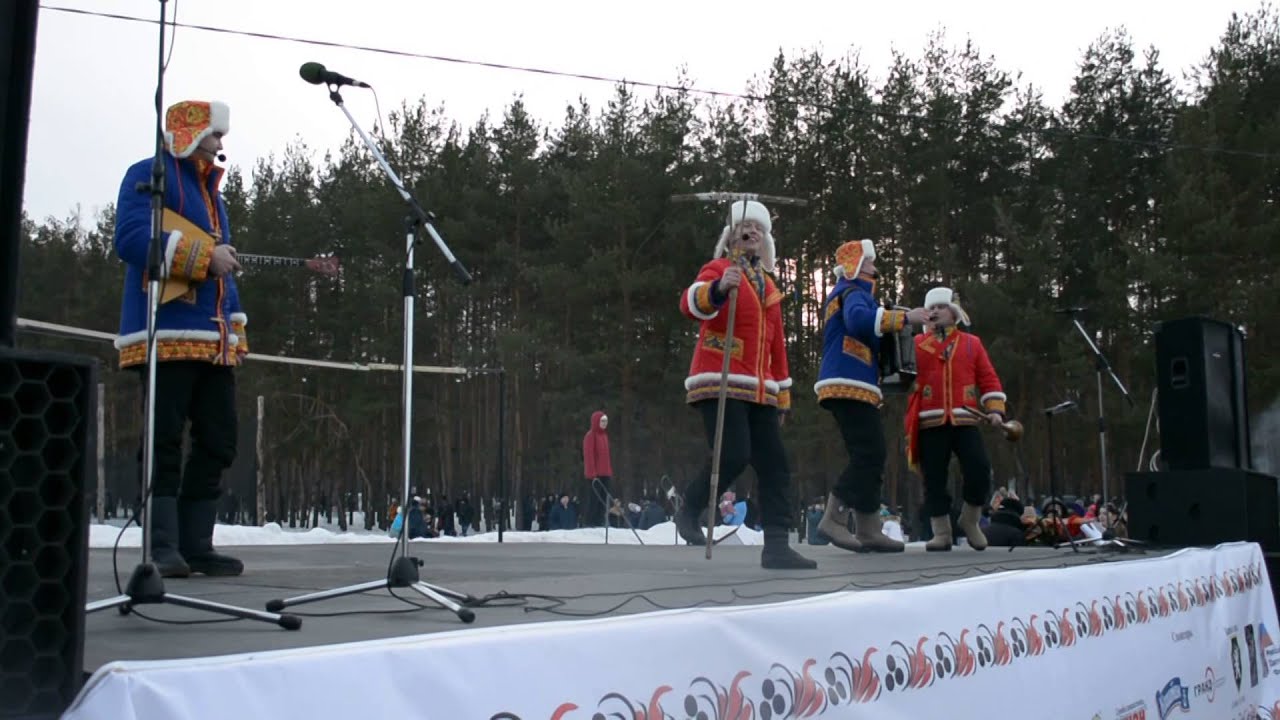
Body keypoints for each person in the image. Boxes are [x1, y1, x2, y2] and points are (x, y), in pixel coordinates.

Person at [114, 99, 247, 578]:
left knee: (219, 440)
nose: (221, 143)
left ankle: (196, 543)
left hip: (213, 340)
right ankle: (161, 543)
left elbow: (221, 268)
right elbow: (131, 237)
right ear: (190, 133)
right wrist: (202, 256)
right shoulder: (148, 175)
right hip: (165, 330)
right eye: (214, 133)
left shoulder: (214, 195)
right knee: (164, 439)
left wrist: (233, 325)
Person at [675, 199, 815, 569]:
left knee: (775, 464)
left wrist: (782, 394)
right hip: (720, 376)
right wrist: (719, 288)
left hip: (761, 388)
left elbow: (777, 344)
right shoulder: (719, 268)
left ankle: (777, 546)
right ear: (731, 237)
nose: (750, 233)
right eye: (743, 228)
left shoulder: (769, 286)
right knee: (734, 453)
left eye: (757, 230)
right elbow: (690, 305)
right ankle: (689, 507)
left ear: (764, 240)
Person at [813, 239, 928, 552]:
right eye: (869, 262)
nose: (875, 268)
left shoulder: (857, 295)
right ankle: (833, 518)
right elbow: (860, 321)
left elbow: (869, 331)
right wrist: (905, 318)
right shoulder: (851, 292)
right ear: (855, 266)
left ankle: (868, 527)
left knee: (871, 454)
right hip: (846, 382)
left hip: (856, 384)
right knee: (870, 453)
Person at [904, 287, 1008, 551]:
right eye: (932, 307)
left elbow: (988, 378)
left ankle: (970, 519)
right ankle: (941, 532)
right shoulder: (916, 344)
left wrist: (995, 409)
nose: (936, 311)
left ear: (954, 312)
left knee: (979, 469)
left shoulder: (972, 344)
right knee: (934, 478)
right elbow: (901, 374)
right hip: (929, 420)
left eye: (941, 306)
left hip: (966, 419)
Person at [582, 410, 613, 527]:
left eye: (606, 421)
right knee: (593, 499)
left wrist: (609, 471)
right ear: (596, 422)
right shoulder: (590, 436)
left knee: (604, 499)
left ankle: (600, 521)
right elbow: (589, 455)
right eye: (602, 421)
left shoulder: (604, 436)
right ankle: (590, 522)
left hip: (605, 473)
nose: (604, 423)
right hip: (595, 475)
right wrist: (592, 474)